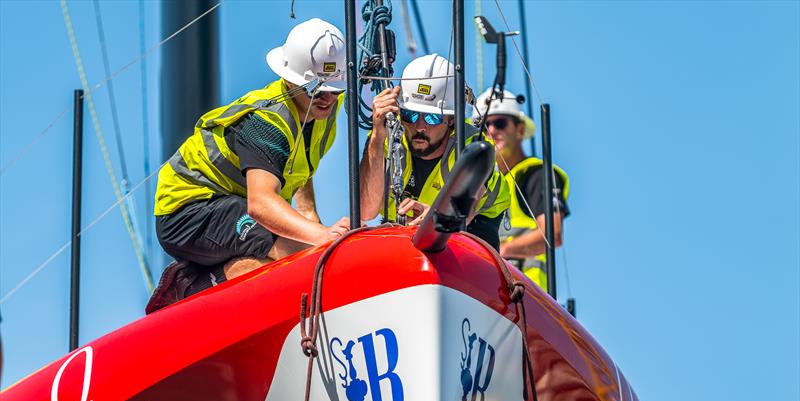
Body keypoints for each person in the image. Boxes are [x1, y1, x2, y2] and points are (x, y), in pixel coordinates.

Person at [148, 19, 350, 312]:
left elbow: (299, 166)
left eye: (337, 90)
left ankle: (206, 280)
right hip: (186, 210)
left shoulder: (321, 108)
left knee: (282, 255)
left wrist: (310, 218)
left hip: (232, 206)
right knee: (300, 249)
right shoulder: (266, 122)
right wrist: (322, 236)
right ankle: (189, 289)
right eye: (318, 91)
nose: (329, 98)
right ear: (291, 80)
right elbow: (261, 205)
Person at [360, 54, 510, 248]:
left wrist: (436, 218)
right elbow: (366, 210)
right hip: (404, 227)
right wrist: (377, 137)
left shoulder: (474, 149)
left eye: (432, 118)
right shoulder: (384, 138)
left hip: (476, 223)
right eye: (410, 115)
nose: (420, 126)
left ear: (452, 120)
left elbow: (466, 211)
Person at [472, 88, 570, 290]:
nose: (492, 129)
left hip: (527, 299)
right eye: (485, 125)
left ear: (520, 130)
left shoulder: (536, 175)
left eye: (500, 123)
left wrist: (500, 251)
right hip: (486, 291)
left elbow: (552, 234)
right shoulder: (481, 180)